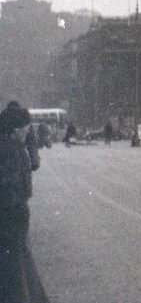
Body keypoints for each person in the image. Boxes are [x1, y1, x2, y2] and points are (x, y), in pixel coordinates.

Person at [0, 102, 50, 303]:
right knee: (16, 264)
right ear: (16, 129)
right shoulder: (10, 150)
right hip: (12, 213)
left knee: (17, 262)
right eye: (25, 127)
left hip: (13, 212)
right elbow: (10, 183)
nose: (28, 130)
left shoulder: (12, 146)